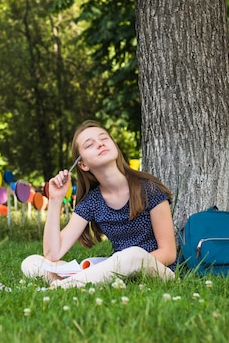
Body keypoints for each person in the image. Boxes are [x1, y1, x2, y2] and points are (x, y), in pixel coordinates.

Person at [21, 120, 177, 289]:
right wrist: (55, 200)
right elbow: (52, 254)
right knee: (31, 262)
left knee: (133, 255)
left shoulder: (148, 189)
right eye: (90, 144)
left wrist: (126, 265)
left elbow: (168, 253)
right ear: (83, 165)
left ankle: (61, 286)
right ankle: (81, 281)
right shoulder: (92, 201)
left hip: (157, 270)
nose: (100, 144)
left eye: (104, 138)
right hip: (115, 270)